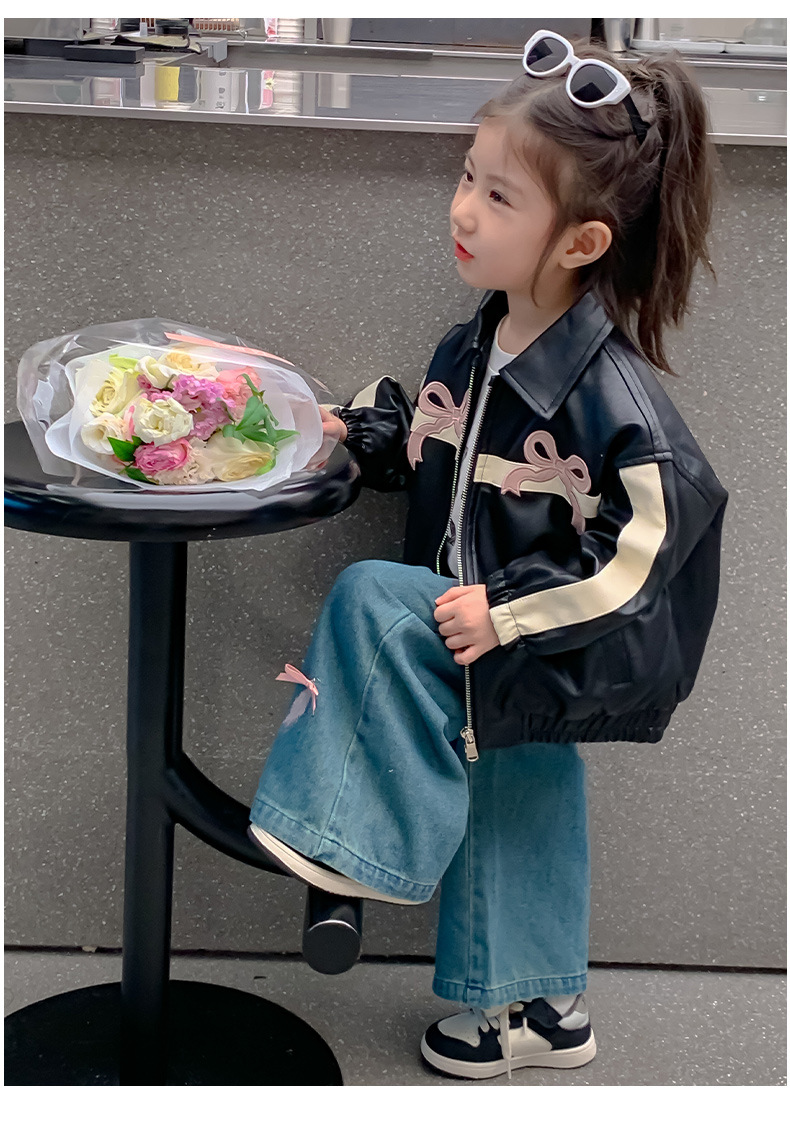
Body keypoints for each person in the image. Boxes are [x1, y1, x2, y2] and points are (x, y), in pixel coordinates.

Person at [248, 31, 728, 1081]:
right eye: (468, 177)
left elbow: (645, 551)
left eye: (500, 197)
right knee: (510, 808)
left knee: (395, 626)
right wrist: (360, 433)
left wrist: (506, 609)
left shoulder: (611, 397)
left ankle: (353, 849)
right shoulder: (475, 345)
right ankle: (533, 1011)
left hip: (533, 641)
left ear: (582, 241)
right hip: (487, 635)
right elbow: (441, 444)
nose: (464, 210)